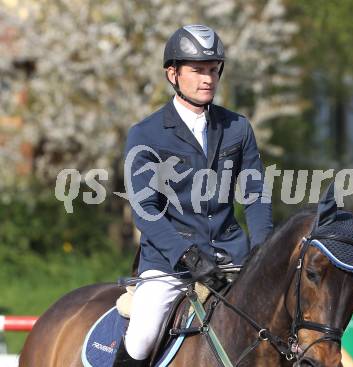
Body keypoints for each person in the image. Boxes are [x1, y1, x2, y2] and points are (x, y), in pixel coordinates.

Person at [113, 24, 273, 366]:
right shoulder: (147, 134)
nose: (207, 79)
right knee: (141, 338)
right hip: (171, 265)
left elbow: (255, 195)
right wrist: (188, 257)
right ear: (173, 73)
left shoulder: (237, 127)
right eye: (197, 70)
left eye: (213, 70)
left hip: (232, 256)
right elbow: (147, 212)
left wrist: (263, 249)